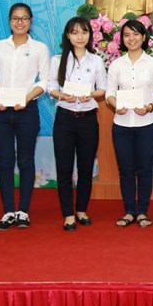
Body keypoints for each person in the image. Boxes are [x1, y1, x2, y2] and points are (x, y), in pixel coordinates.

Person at [0, 3, 51, 230]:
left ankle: (23, 211)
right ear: (10, 21)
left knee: (25, 160)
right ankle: (8, 212)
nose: (19, 22)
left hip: (27, 111)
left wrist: (26, 98)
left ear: (31, 21)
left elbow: (44, 81)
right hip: (1, 111)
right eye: (15, 18)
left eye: (24, 18)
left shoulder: (39, 48)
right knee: (5, 161)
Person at [105, 20, 153, 228]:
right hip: (121, 125)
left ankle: (142, 212)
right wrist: (116, 105)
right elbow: (109, 93)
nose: (131, 39)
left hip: (147, 124)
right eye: (126, 35)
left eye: (135, 34)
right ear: (122, 39)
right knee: (125, 170)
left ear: (143, 37)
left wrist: (150, 107)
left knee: (144, 169)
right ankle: (128, 212)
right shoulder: (116, 65)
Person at [48, 17, 107, 231]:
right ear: (67, 35)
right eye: (74, 32)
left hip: (88, 119)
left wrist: (91, 95)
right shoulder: (57, 60)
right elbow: (51, 87)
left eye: (84, 32)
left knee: (85, 167)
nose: (80, 37)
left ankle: (81, 210)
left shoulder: (96, 61)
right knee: (64, 168)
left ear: (90, 35)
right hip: (65, 119)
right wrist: (62, 96)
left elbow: (103, 88)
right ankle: (68, 214)